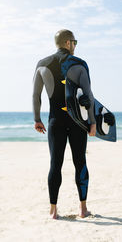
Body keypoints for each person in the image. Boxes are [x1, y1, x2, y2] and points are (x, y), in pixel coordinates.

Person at [32, 29, 96, 219]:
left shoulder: (42, 64)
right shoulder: (80, 64)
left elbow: (36, 95)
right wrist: (92, 122)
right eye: (74, 42)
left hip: (55, 122)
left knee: (55, 164)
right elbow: (88, 96)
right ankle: (83, 209)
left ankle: (53, 211)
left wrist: (37, 119)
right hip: (77, 123)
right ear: (68, 43)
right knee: (80, 163)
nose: (75, 45)